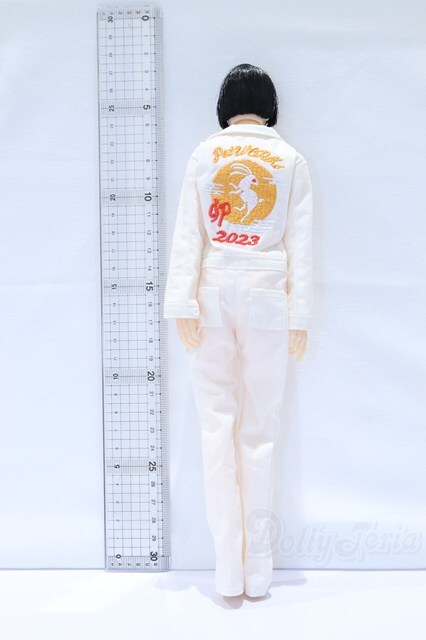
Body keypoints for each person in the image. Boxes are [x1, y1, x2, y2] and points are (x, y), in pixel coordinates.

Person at [163, 63, 314, 598]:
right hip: (268, 294)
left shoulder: (205, 154)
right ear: (270, 106)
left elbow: (188, 234)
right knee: (260, 431)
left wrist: (181, 302)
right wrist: (299, 316)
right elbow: (300, 243)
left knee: (215, 428)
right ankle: (258, 569)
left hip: (210, 293)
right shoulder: (289, 158)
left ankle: (227, 567)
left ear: (224, 106)